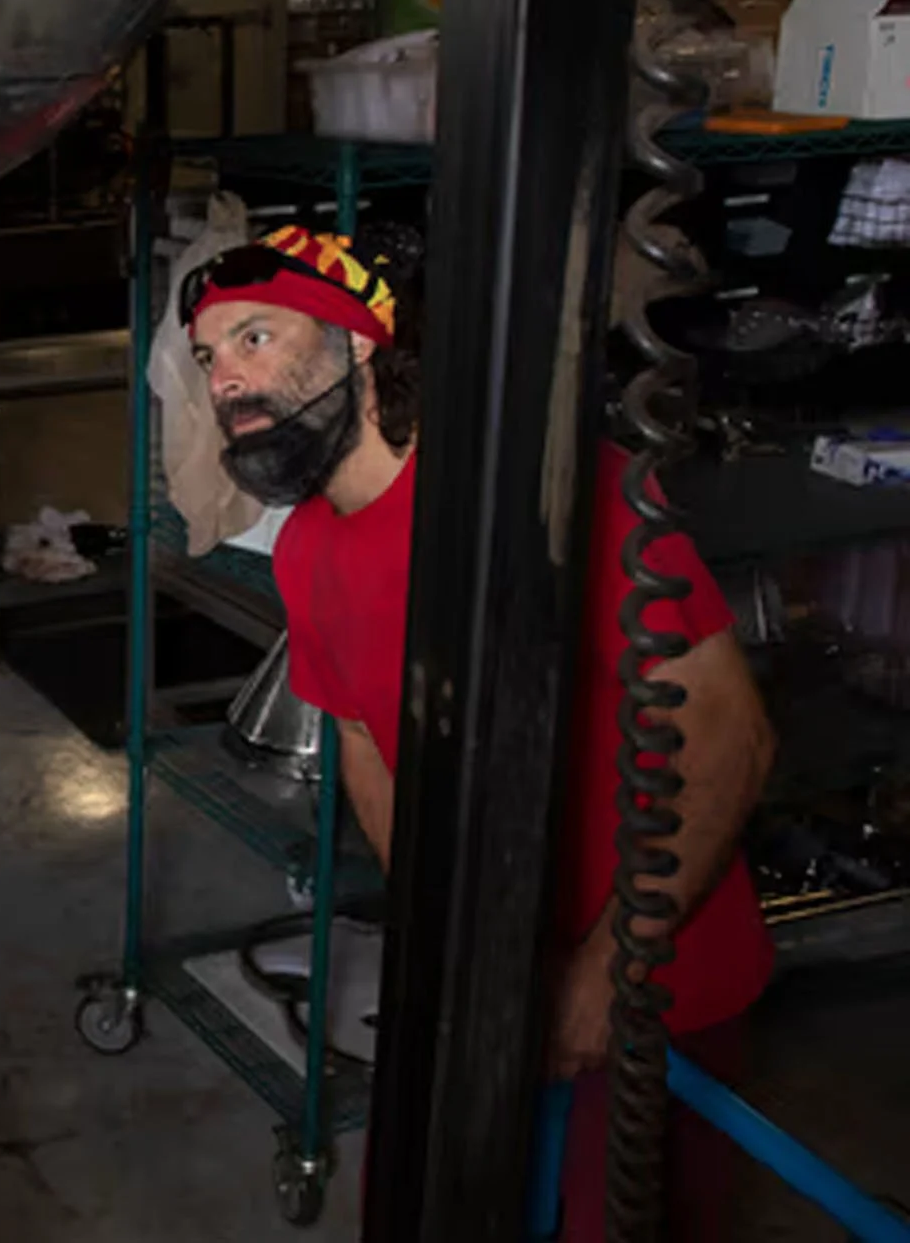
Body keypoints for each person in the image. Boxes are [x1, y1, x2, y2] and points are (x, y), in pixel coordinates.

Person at [182, 224, 775, 1240]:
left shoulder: (547, 492)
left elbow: (730, 734)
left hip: (651, 981)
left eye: (254, 338)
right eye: (205, 357)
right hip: (484, 985)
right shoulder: (307, 552)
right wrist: (445, 939)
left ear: (358, 341)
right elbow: (369, 750)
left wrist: (602, 971)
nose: (223, 381)